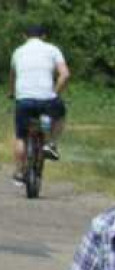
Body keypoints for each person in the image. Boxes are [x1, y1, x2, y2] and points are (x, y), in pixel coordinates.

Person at [8, 23, 69, 185]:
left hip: (24, 100)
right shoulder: (53, 49)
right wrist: (55, 92)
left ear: (24, 36)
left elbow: (12, 78)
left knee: (20, 136)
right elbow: (64, 74)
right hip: (46, 100)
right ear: (44, 36)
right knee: (58, 115)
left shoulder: (18, 52)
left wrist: (12, 93)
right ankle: (51, 144)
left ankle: (20, 170)